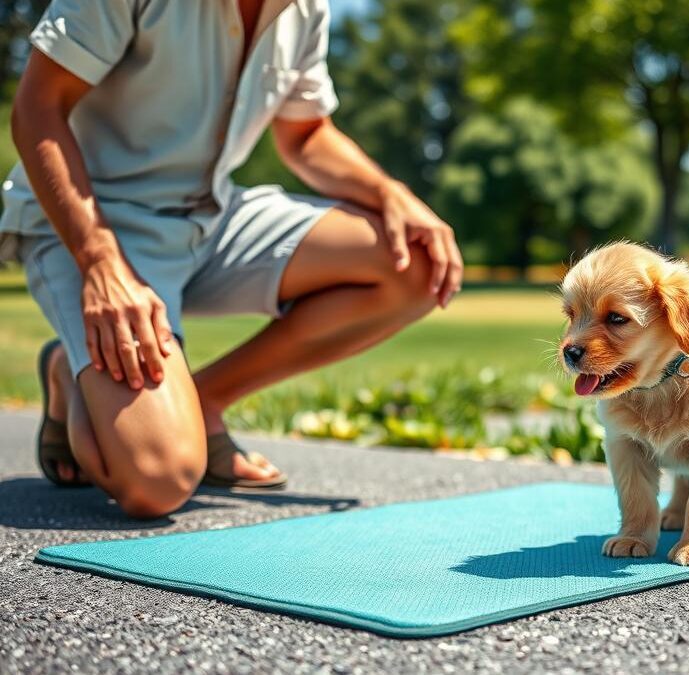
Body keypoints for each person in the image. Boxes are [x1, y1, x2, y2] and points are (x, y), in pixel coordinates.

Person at [0, 0, 463, 517]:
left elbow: (305, 134)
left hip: (211, 214)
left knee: (418, 264)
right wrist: (100, 264)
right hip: (92, 223)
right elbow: (37, 108)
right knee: (158, 478)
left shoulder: (304, 8)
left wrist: (388, 192)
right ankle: (74, 371)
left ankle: (200, 402)